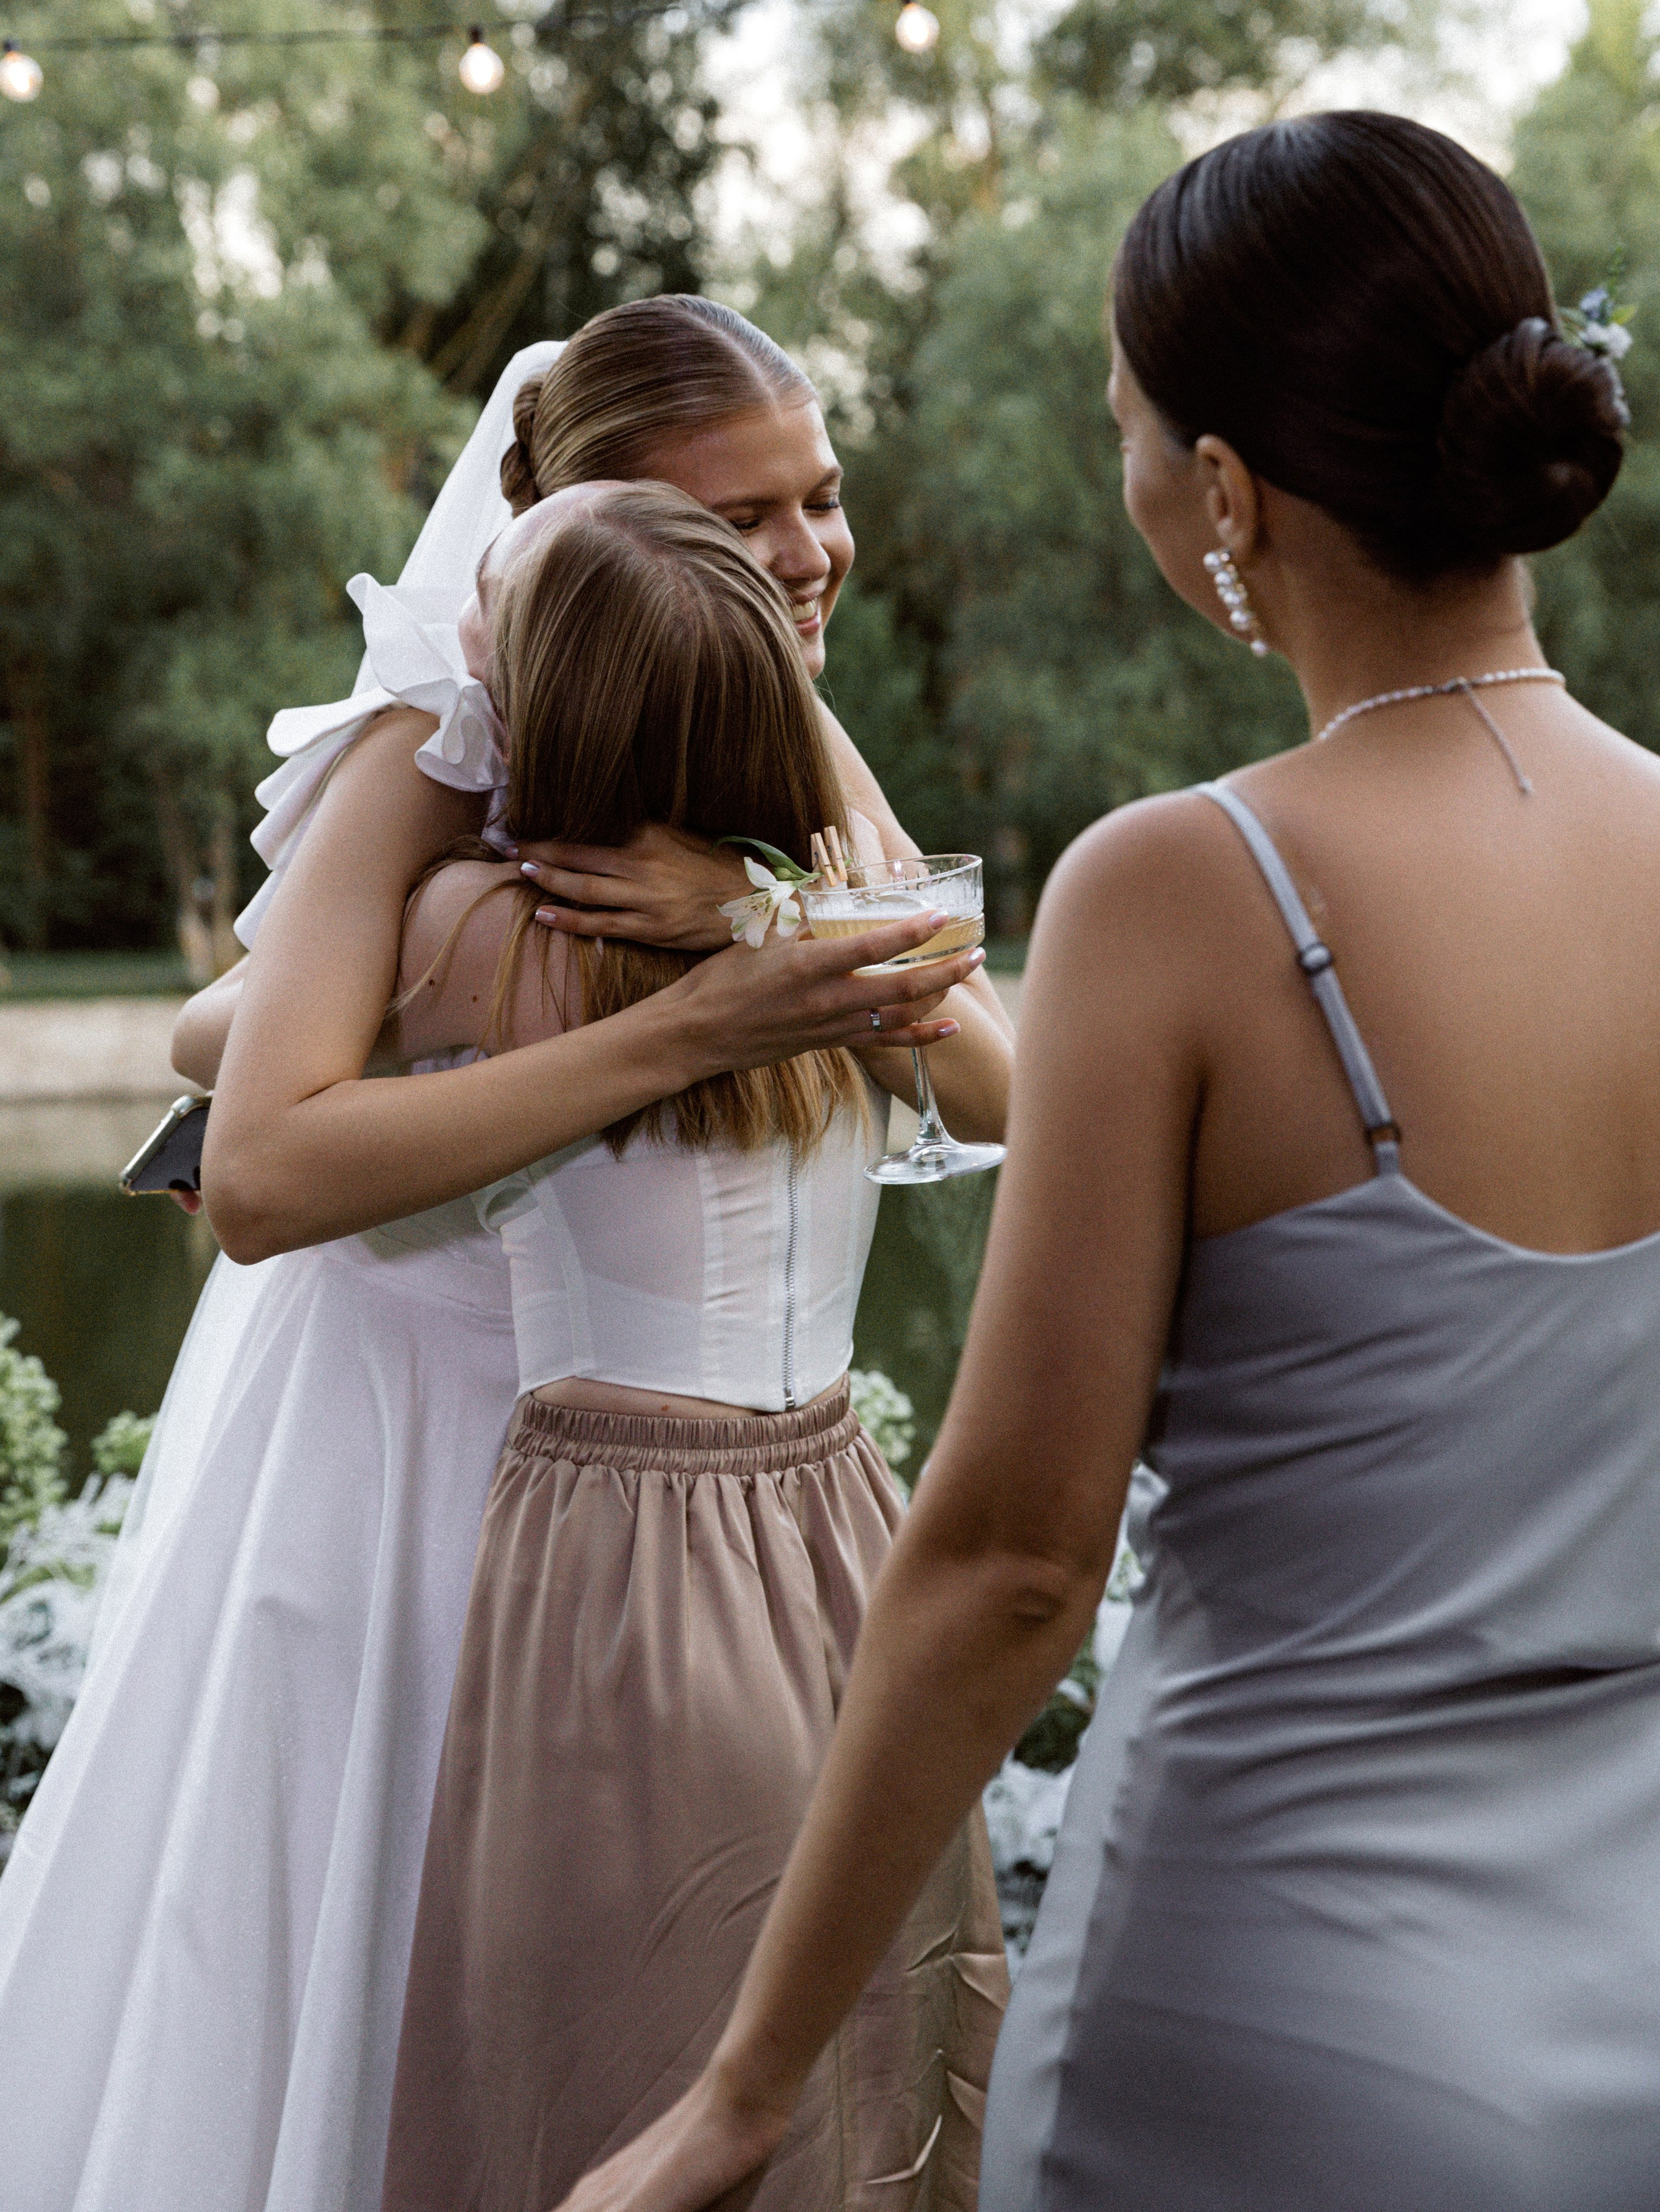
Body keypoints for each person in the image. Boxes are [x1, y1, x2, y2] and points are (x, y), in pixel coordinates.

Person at [556, 108, 1660, 2212]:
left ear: (1224, 494)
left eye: (1127, 426)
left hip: (1284, 2024)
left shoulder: (1189, 887)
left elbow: (1009, 1565)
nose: (1131, 471)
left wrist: (742, 2095)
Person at [0, 298, 1010, 2212]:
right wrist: (600, 1004)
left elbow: (976, 1053)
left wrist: (745, 907)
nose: (806, 559)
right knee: (381, 1962)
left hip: (670, 1476)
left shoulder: (775, 707)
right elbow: (254, 1107)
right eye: (748, 513)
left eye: (823, 498)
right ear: (574, 518)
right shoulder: (434, 747)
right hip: (419, 1454)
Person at [300, 478, 1002, 2209]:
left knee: (614, 2067)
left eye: (498, 608)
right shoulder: (856, 931)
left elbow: (224, 1039)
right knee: (856, 2064)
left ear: (555, 700)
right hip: (847, 1533)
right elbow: (1022, 1097)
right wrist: (764, 913)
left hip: (622, 1571)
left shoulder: (481, 931)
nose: (461, 620)